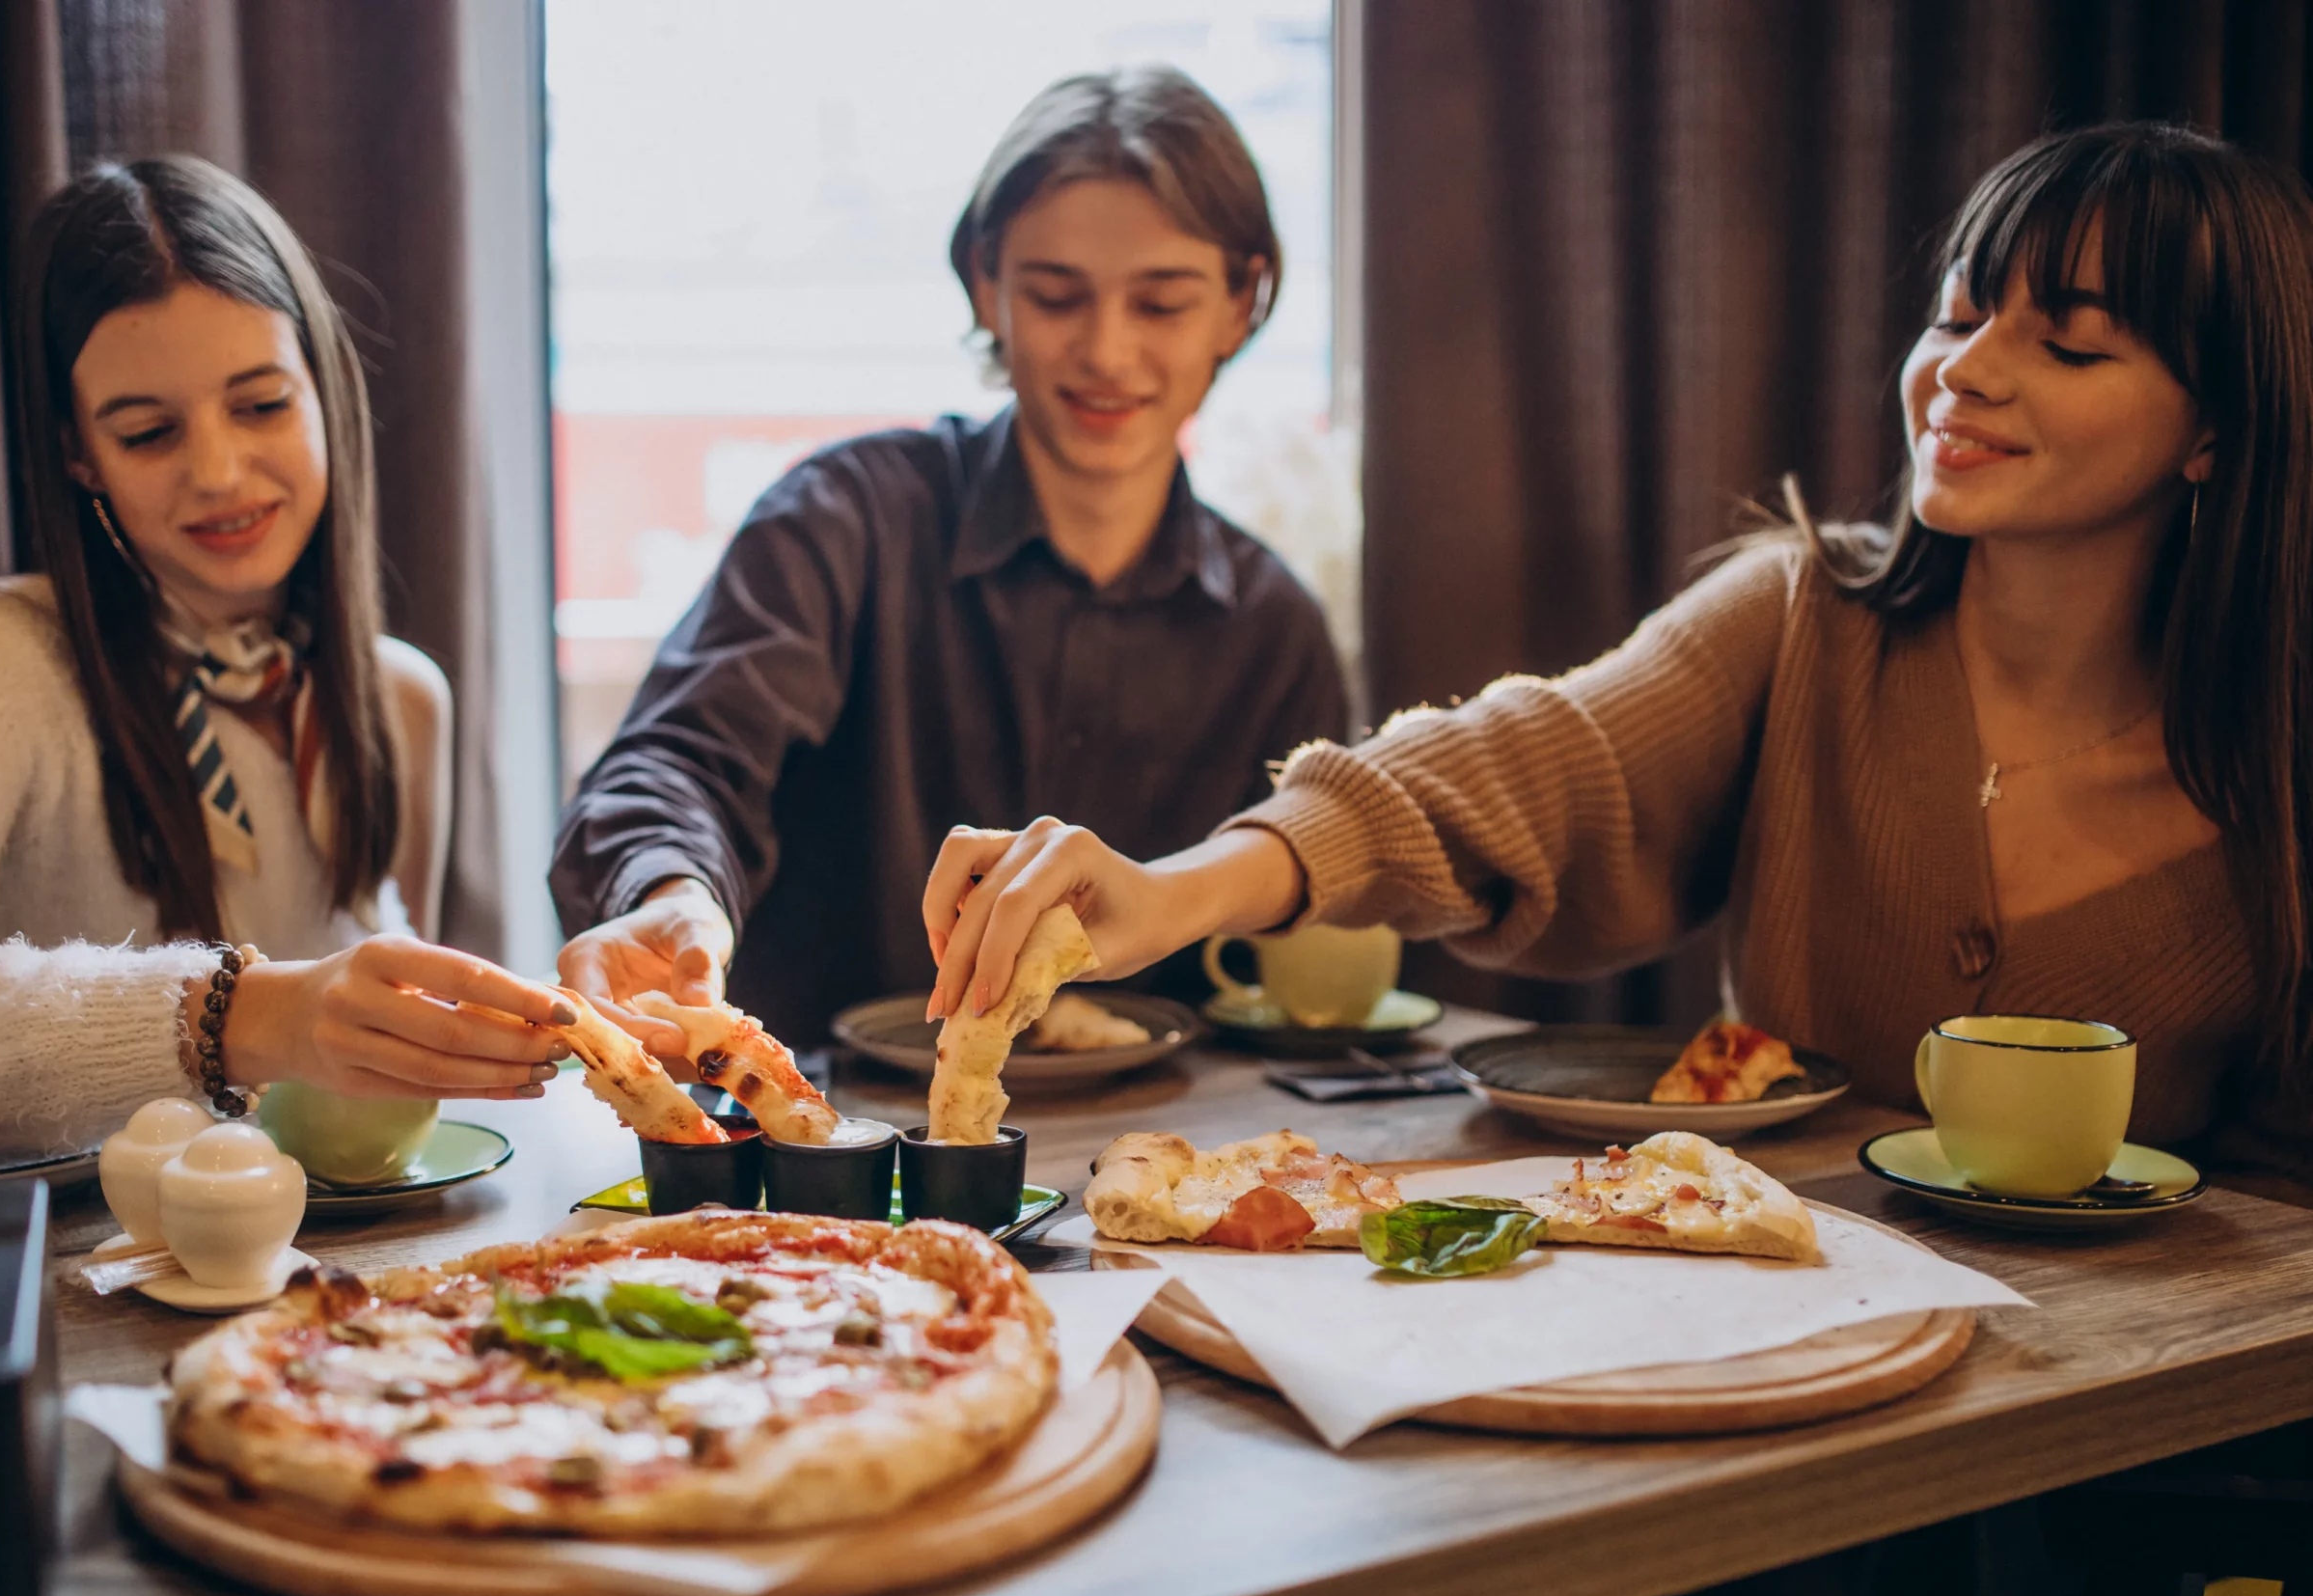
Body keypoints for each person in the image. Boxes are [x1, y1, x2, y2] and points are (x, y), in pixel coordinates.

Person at [926, 121, 2313, 1178]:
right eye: (1957, 313)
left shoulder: (2275, 772)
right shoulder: (1802, 617)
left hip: (2142, 1461)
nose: (1966, 369)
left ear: (2215, 428)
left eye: (2065, 345)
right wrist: (1177, 890)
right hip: (1782, 1379)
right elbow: (1511, 765)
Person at [552, 66, 1348, 1053]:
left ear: (1240, 305)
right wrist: (672, 894)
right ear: (987, 286)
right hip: (824, 1143)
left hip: (1152, 1168)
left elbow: (1314, 950)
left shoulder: (1273, 630)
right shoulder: (843, 521)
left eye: (1160, 305)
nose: (1105, 350)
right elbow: (674, 763)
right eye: (1057, 296)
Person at [0, 156, 576, 1166]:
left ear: (325, 389)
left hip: (332, 1297)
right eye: (148, 433)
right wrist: (246, 1014)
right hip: (62, 1294)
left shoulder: (400, 698)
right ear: (77, 455)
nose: (220, 472)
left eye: (261, 405)